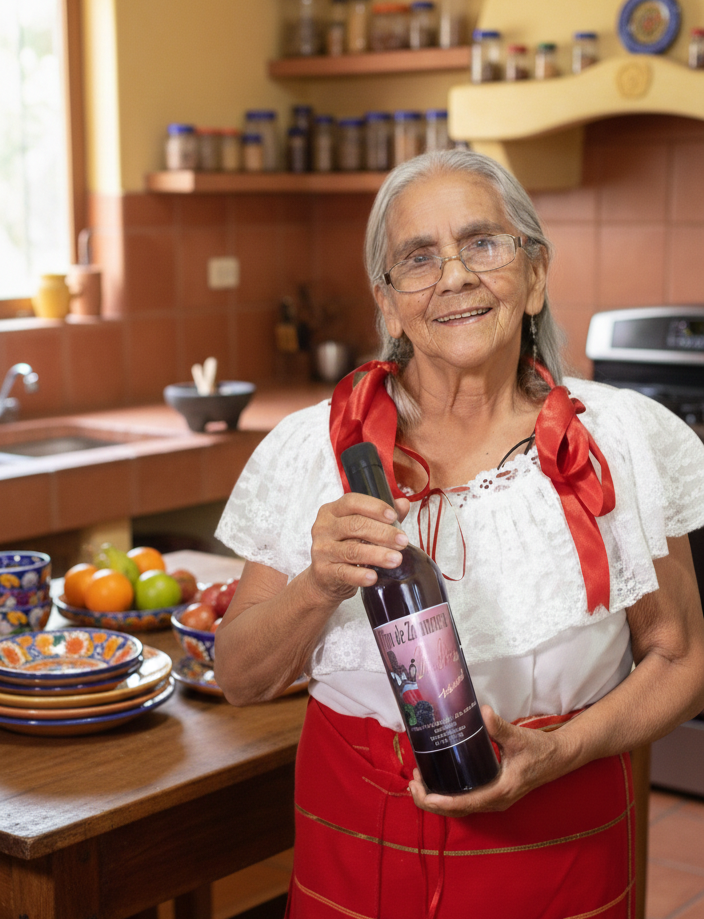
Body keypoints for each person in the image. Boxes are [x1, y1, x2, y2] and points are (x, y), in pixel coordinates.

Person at [214, 149, 704, 919]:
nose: (454, 276)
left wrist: (560, 754)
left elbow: (682, 656)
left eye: (483, 243)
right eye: (418, 257)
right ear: (388, 300)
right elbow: (239, 676)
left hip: (560, 848)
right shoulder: (312, 448)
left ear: (535, 274)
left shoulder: (619, 441)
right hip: (357, 854)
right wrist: (317, 584)